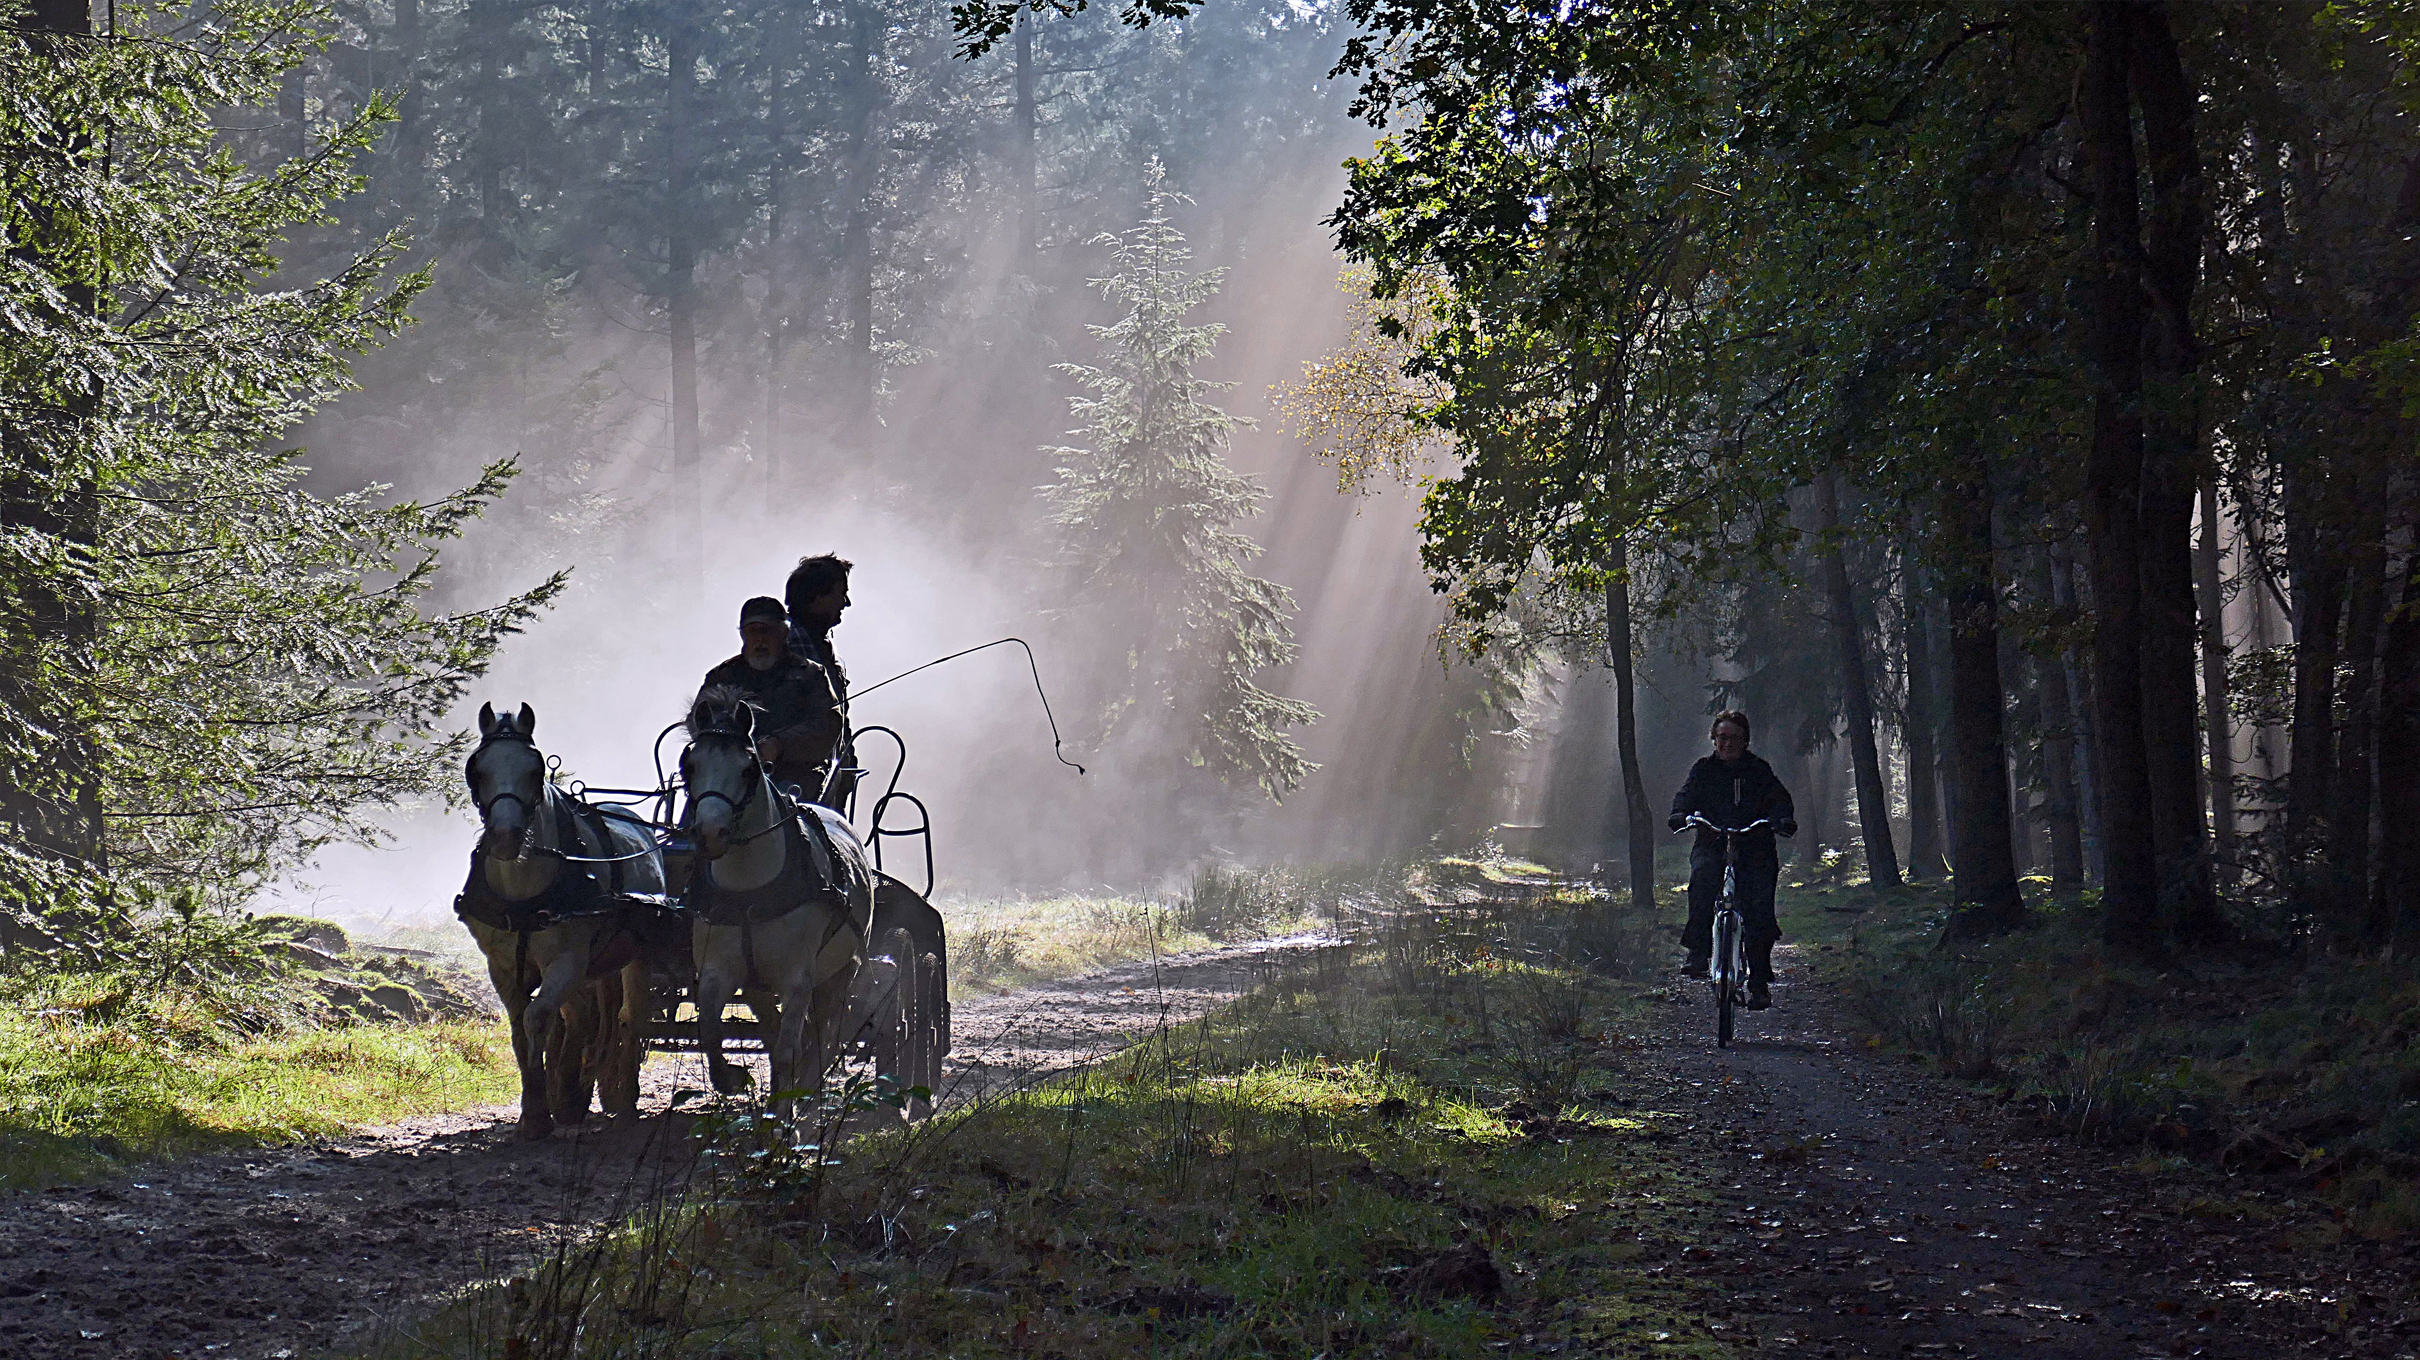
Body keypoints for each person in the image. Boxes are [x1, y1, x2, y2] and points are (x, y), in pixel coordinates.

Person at [1668, 710, 1797, 1009]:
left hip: (1755, 847)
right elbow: (1685, 796)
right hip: (1712, 842)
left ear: (1745, 741)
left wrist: (1782, 818)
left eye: (1735, 738)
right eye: (1722, 738)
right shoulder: (1703, 770)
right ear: (1713, 739)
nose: (1728, 744)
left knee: (1759, 908)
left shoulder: (1759, 770)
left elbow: (1779, 799)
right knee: (1701, 882)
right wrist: (1680, 815)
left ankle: (1760, 981)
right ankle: (1698, 952)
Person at [697, 596, 844, 800]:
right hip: (727, 780)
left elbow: (828, 725)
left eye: (767, 631)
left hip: (794, 779)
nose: (759, 641)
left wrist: (779, 745)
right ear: (742, 635)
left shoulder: (810, 674)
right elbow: (699, 721)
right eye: (752, 632)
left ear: (784, 633)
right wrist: (734, 747)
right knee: (701, 808)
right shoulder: (722, 677)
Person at [784, 553, 855, 808]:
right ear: (816, 597)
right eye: (840, 593)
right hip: (799, 787)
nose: (846, 603)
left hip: (829, 780)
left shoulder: (821, 644)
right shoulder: (789, 643)